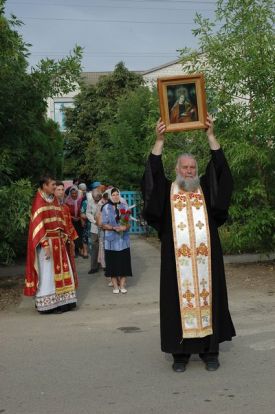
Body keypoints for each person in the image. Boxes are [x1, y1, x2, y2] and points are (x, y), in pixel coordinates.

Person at [141, 114, 235, 372]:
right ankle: (179, 354)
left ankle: (210, 351)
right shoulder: (168, 193)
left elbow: (222, 174)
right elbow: (151, 180)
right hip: (176, 263)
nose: (189, 171)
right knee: (176, 303)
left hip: (207, 262)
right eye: (185, 168)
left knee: (210, 300)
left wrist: (211, 135)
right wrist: (159, 141)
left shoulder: (206, 189)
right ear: (177, 170)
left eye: (193, 167)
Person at [24, 175, 77, 313]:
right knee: (48, 274)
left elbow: (60, 221)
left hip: (59, 242)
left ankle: (64, 302)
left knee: (63, 271)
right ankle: (47, 305)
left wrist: (66, 237)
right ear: (44, 186)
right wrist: (45, 246)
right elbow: (38, 228)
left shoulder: (53, 200)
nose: (54, 187)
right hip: (46, 245)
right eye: (52, 184)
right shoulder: (38, 202)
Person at [101, 188, 132, 294]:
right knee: (112, 263)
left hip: (123, 240)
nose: (115, 196)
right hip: (111, 241)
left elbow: (128, 222)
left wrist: (124, 227)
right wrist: (113, 228)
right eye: (113, 194)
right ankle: (115, 286)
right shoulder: (105, 207)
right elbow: (103, 224)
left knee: (123, 262)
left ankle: (122, 285)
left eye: (117, 194)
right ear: (109, 196)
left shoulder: (124, 206)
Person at [54, 181, 79, 291]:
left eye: (62, 190)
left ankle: (68, 293)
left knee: (68, 268)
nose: (60, 192)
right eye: (58, 190)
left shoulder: (65, 208)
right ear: (53, 191)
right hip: (55, 243)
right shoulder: (50, 208)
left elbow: (69, 224)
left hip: (66, 243)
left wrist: (72, 239)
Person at [86, 189, 102, 274]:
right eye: (94, 198)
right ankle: (94, 267)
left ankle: (105, 266)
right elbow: (88, 213)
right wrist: (94, 221)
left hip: (103, 227)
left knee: (103, 247)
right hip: (94, 228)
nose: (96, 200)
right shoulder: (90, 202)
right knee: (94, 247)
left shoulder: (103, 201)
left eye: (97, 198)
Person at [65, 185, 83, 257]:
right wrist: (72, 217)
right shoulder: (67, 201)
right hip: (71, 221)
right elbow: (66, 212)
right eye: (72, 193)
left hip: (79, 220)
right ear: (70, 194)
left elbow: (83, 210)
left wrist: (79, 217)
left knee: (79, 235)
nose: (74, 195)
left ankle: (80, 249)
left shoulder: (80, 200)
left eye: (75, 193)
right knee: (73, 235)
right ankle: (74, 250)